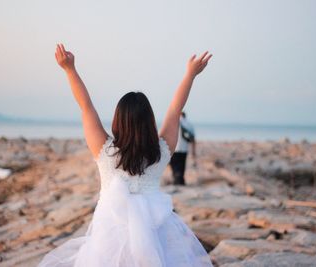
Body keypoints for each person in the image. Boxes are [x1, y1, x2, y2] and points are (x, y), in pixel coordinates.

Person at [37, 43, 213, 267]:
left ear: (117, 120)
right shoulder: (160, 152)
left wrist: (69, 69)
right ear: (149, 122)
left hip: (108, 234)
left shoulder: (105, 151)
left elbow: (86, 106)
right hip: (156, 230)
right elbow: (174, 111)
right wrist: (190, 74)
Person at [169, 111, 196, 185]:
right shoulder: (189, 124)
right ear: (185, 116)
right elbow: (193, 139)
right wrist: (193, 151)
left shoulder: (174, 122)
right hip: (184, 149)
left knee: (174, 166)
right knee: (182, 166)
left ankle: (176, 180)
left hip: (174, 148)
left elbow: (168, 136)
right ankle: (180, 181)